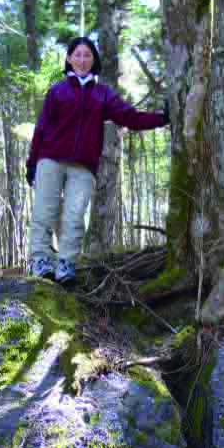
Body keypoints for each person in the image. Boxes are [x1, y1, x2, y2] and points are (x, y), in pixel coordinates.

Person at [26, 36, 169, 286]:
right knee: (43, 214)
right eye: (78, 55)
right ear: (69, 59)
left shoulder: (103, 95)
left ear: (94, 61)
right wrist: (31, 164)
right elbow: (41, 129)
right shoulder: (57, 91)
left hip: (83, 166)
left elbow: (130, 118)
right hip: (50, 160)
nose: (82, 60)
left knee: (74, 218)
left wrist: (162, 118)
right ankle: (41, 263)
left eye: (87, 55)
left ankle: (66, 267)